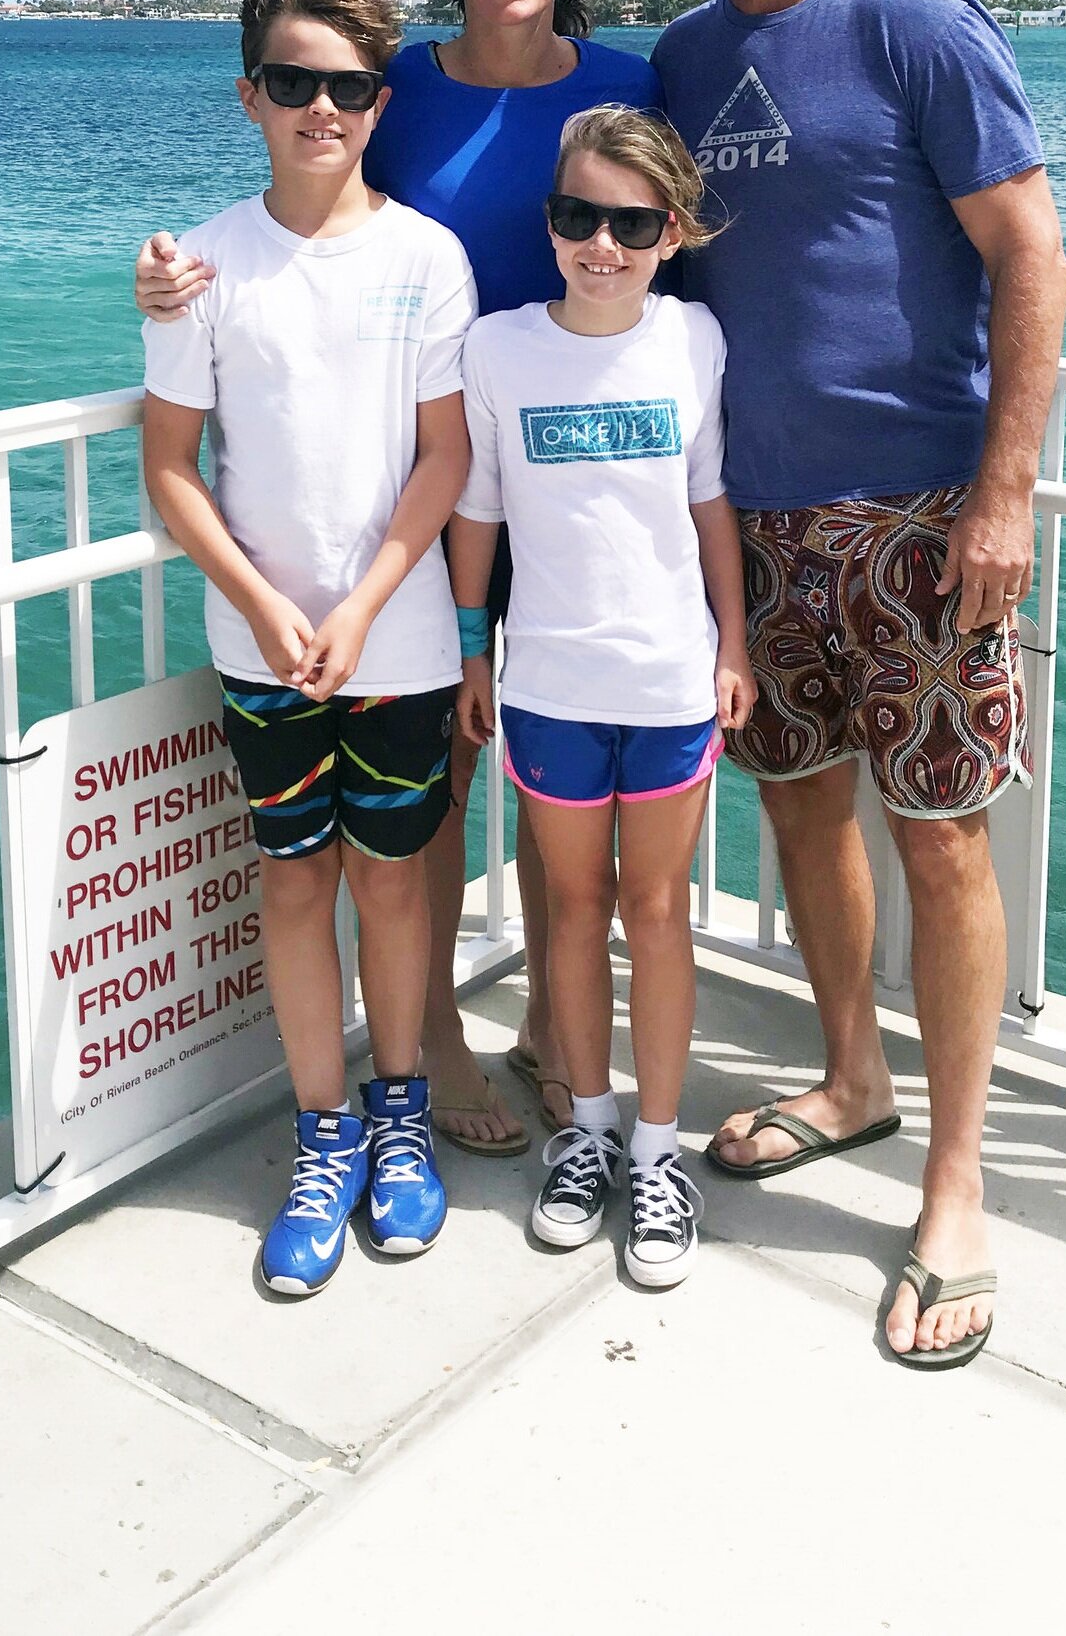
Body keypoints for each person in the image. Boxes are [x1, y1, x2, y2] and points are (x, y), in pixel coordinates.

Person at [135, 0, 659, 1154]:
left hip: (573, 483)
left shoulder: (630, 82)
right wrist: (164, 286)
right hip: (435, 510)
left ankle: (558, 1030)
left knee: (558, 785)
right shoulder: (402, 87)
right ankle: (427, 1041)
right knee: (433, 797)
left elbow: (668, 241)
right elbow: (296, 201)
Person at [650, 0, 1066, 1367]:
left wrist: (1005, 490)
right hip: (755, 517)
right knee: (806, 808)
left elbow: (1029, 256)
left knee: (943, 839)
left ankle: (957, 1182)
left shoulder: (910, 21)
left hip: (918, 515)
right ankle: (852, 1076)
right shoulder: (684, 59)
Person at [139, 0, 474, 1298]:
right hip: (260, 647)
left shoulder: (426, 256)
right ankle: (321, 1135)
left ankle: (400, 1116)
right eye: (293, 84)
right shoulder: (202, 264)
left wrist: (372, 598)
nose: (319, 111)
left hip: (396, 645)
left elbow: (442, 458)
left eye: (345, 87)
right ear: (250, 95)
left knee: (394, 880)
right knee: (293, 882)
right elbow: (172, 467)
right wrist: (269, 605)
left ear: (378, 103)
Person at [450, 107, 754, 1287]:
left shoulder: (696, 339)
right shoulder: (497, 348)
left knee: (658, 911)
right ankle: (585, 1131)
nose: (603, 244)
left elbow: (710, 502)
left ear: (671, 233)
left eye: (633, 222)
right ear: (551, 223)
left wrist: (733, 645)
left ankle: (660, 1152)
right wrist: (475, 652)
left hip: (671, 677)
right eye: (581, 216)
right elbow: (476, 510)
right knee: (570, 916)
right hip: (549, 684)